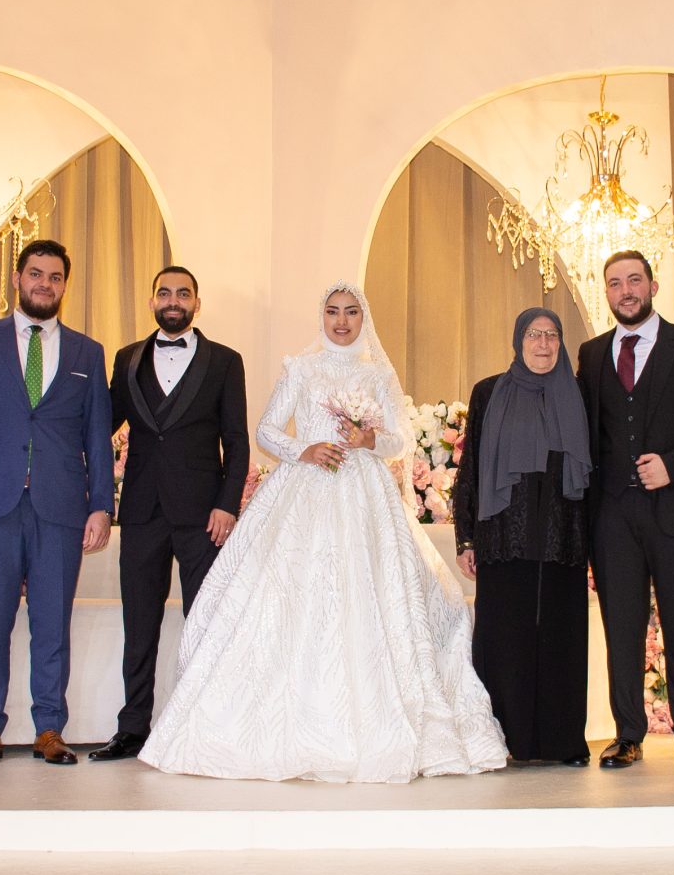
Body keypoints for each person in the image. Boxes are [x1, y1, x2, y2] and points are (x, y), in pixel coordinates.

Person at [139, 282, 507, 782]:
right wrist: (305, 449)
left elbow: (400, 442)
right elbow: (266, 430)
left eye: (351, 312)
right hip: (304, 490)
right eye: (333, 312)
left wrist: (370, 439)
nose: (341, 321)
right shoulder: (301, 368)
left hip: (366, 497)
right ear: (322, 317)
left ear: (363, 317)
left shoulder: (378, 374)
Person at [0, 240, 113, 768]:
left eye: (55, 277)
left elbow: (97, 435)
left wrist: (101, 505)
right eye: (35, 274)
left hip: (60, 507)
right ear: (17, 279)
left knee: (52, 623)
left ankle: (49, 728)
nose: (44, 284)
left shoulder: (87, 352)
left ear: (65, 285)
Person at [576, 251, 674, 773]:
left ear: (652, 285)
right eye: (615, 283)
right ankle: (627, 735)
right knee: (622, 631)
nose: (625, 291)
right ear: (606, 292)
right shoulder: (592, 354)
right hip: (612, 518)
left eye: (634, 280)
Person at [92, 266, 249, 762]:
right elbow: (101, 424)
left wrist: (227, 504)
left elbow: (237, 440)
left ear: (197, 303)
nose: (174, 300)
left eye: (183, 293)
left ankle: (199, 725)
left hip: (204, 515)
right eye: (165, 292)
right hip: (141, 512)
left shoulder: (226, 361)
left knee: (203, 623)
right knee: (139, 626)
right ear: (152, 301)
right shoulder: (127, 358)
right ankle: (132, 728)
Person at [452, 307, 592, 765]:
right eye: (534, 334)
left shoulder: (580, 395)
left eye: (552, 335)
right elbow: (470, 467)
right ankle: (502, 739)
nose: (543, 344)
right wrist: (466, 537)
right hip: (503, 537)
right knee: (504, 640)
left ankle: (562, 743)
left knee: (561, 640)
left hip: (562, 536)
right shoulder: (489, 392)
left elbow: (596, 471)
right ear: (518, 340)